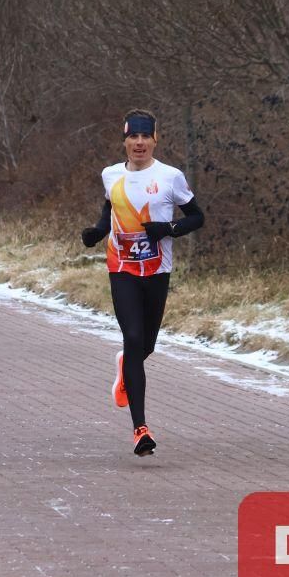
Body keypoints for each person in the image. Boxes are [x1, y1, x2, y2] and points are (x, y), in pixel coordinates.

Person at [81, 109, 205, 456]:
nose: (139, 143)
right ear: (124, 141)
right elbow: (111, 208)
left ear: (155, 139)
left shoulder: (170, 177)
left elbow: (197, 217)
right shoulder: (110, 175)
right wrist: (98, 232)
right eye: (133, 137)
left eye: (145, 136)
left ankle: (126, 365)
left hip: (157, 271)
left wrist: (168, 229)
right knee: (133, 338)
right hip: (121, 268)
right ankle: (141, 430)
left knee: (145, 345)